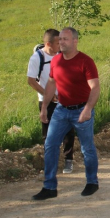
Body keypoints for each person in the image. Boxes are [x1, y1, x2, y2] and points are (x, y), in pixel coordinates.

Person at [32, 27, 100, 200]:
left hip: (82, 109)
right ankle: (49, 187)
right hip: (61, 109)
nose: (61, 42)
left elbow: (95, 87)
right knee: (50, 145)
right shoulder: (56, 61)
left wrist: (87, 109)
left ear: (75, 41)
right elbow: (51, 85)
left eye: (65, 39)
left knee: (87, 149)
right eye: (60, 39)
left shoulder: (85, 61)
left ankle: (92, 182)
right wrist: (44, 107)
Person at [27, 29, 75, 174]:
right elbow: (31, 81)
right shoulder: (37, 58)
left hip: (65, 99)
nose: (60, 44)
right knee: (48, 134)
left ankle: (68, 161)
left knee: (68, 131)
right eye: (57, 42)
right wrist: (47, 94)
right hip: (46, 101)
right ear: (48, 44)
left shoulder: (63, 55)